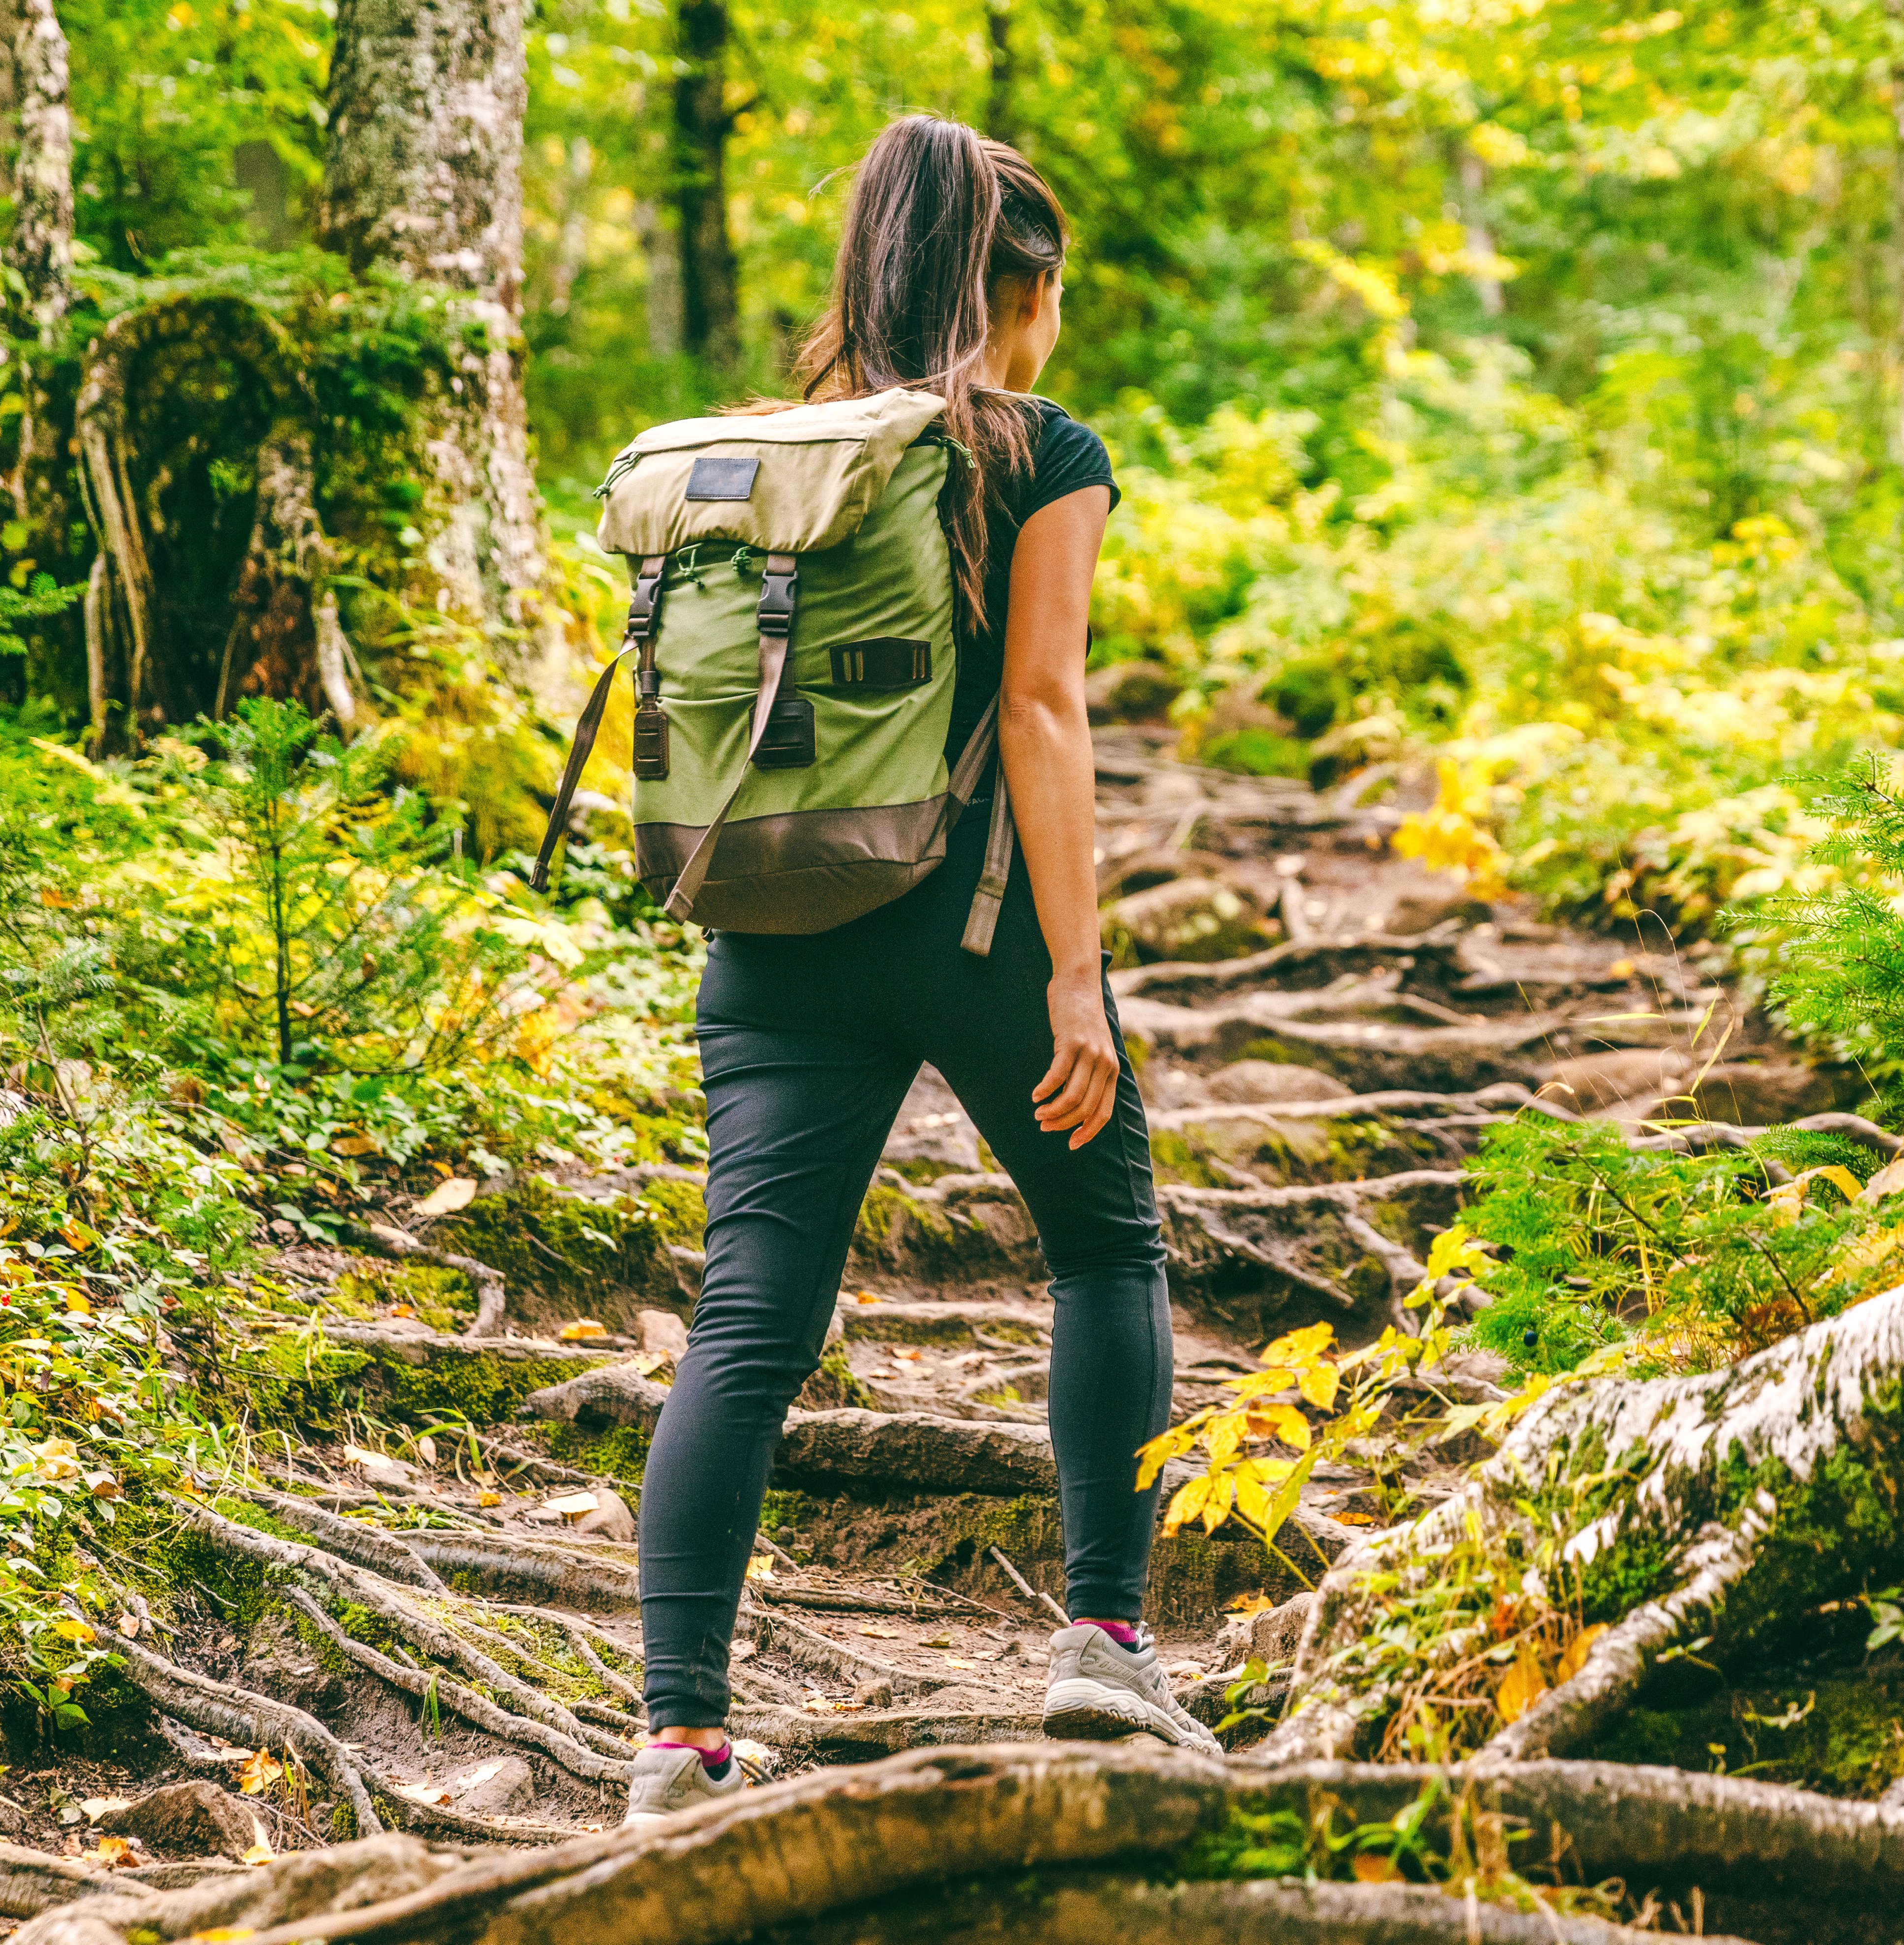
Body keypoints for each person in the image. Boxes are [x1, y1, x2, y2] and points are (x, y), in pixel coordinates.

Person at [619, 115, 1216, 1829]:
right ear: (1013, 287)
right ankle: (1103, 1642)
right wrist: (1076, 979)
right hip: (972, 934)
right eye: (1054, 297)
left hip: (774, 933)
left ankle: (677, 1738)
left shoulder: (779, 452)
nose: (1057, 333)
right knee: (1108, 1246)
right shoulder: (1038, 448)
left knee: (748, 1321)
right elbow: (1040, 706)